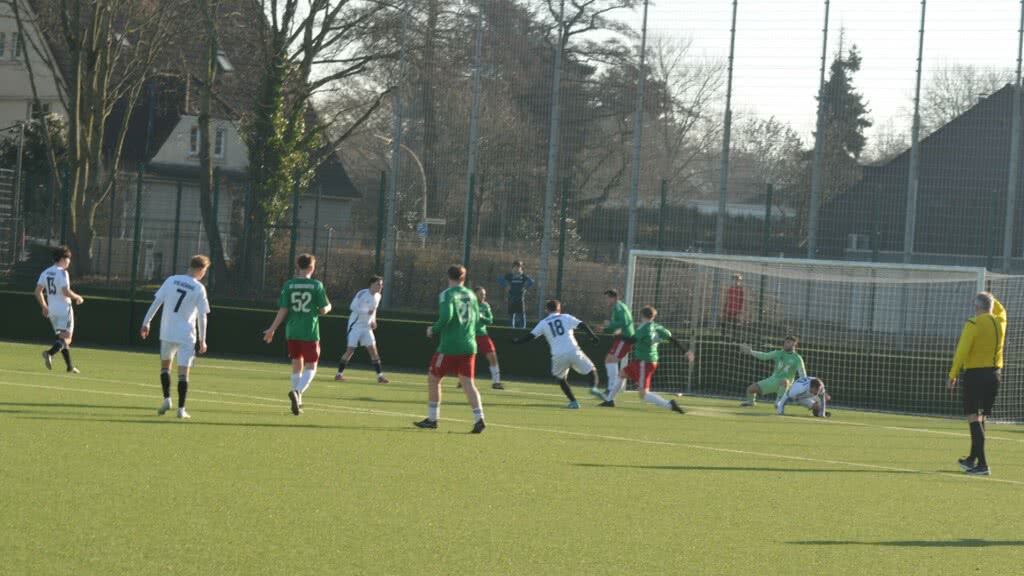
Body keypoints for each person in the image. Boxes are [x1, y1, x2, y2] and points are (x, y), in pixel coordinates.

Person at [414, 265, 486, 433]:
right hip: (469, 345)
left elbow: (446, 316)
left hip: (450, 346)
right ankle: (479, 418)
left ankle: (432, 419)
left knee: (433, 378)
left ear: (448, 276)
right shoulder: (471, 295)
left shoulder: (447, 294)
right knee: (468, 383)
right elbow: (477, 319)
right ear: (464, 278)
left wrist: (433, 329)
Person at [139, 255, 211, 419]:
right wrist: (203, 340)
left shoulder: (171, 280)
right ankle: (181, 409)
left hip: (167, 332)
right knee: (183, 372)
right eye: (205, 271)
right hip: (186, 335)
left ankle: (166, 399)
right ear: (201, 269)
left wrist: (146, 322)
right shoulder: (199, 288)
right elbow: (202, 316)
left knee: (165, 367)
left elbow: (157, 302)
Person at [263, 254, 332, 416]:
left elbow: (283, 309)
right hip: (309, 331)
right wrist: (329, 307)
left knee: (296, 365)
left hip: (292, 331)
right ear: (312, 267)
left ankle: (298, 401)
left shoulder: (289, 285)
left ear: (298, 266)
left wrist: (272, 329)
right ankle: (297, 392)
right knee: (311, 366)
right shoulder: (316, 285)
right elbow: (323, 310)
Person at [947, 291, 1006, 477]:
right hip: (995, 375)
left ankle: (983, 465)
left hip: (975, 375)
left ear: (977, 307)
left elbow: (962, 351)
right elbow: (1001, 310)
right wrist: (991, 298)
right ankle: (973, 458)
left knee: (973, 417)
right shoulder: (1001, 321)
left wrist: (953, 374)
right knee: (982, 418)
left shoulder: (973, 324)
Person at [512, 299, 601, 409]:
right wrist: (593, 337)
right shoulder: (566, 317)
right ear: (559, 309)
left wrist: (517, 341)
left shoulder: (543, 322)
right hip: (573, 351)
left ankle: (574, 402)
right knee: (591, 370)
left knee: (561, 378)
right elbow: (582, 325)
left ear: (547, 310)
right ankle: (593, 387)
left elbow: (530, 336)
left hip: (558, 355)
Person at [602, 306, 686, 414]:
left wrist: (618, 336)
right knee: (622, 374)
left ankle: (669, 404)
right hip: (645, 361)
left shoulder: (644, 328)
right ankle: (609, 401)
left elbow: (631, 340)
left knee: (643, 394)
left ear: (642, 315)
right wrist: (684, 351)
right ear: (653, 316)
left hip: (644, 362)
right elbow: (671, 338)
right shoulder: (657, 326)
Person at [35, 245, 84, 374]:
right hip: (64, 309)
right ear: (62, 258)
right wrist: (77, 297)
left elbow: (38, 291)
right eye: (68, 258)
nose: (69, 261)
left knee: (61, 339)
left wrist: (44, 306)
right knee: (67, 339)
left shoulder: (46, 272)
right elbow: (65, 291)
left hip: (52, 310)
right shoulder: (62, 272)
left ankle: (69, 366)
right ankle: (49, 353)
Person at [335, 275, 389, 384]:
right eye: (378, 284)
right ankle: (339, 374)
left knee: (373, 350)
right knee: (350, 350)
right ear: (372, 284)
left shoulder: (378, 296)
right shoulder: (362, 293)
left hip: (366, 327)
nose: (381, 286)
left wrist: (373, 320)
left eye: (381, 284)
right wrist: (366, 312)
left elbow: (374, 310)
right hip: (355, 326)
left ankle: (380, 376)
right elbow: (352, 307)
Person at [738, 336, 806, 407]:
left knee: (784, 381)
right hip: (773, 380)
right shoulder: (778, 353)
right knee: (750, 389)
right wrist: (751, 352)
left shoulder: (797, 358)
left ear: (794, 344)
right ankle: (750, 402)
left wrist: (801, 388)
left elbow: (803, 375)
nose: (785, 344)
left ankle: (778, 402)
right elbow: (764, 356)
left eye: (788, 342)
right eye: (785, 342)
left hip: (787, 385)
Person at [600, 289, 634, 402]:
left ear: (614, 298)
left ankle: (612, 388)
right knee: (609, 360)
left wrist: (609, 325)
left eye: (607, 298)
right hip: (622, 337)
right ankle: (611, 387)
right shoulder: (620, 306)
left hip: (625, 338)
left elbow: (625, 322)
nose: (606, 300)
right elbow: (624, 322)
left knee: (611, 360)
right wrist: (609, 328)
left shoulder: (618, 307)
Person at [474, 286, 504, 390]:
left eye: (484, 294)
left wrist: (482, 317)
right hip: (470, 336)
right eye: (481, 294)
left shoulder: (485, 306)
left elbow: (490, 320)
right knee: (466, 358)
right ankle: (462, 380)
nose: (483, 296)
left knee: (492, 356)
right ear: (475, 294)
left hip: (483, 335)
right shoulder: (469, 305)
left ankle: (496, 382)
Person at [498, 260, 534, 328]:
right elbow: (500, 280)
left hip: (520, 298)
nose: (517, 269)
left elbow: (531, 281)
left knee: (521, 315)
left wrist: (525, 287)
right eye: (515, 267)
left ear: (521, 268)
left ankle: (522, 329)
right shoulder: (509, 276)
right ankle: (511, 328)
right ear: (513, 267)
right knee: (511, 315)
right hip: (511, 297)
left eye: (519, 267)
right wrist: (506, 286)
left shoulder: (523, 276)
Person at [723, 274, 745, 341]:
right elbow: (727, 298)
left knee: (734, 323)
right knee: (725, 321)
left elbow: (741, 300)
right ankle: (723, 335)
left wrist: (740, 310)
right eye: (734, 280)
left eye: (737, 280)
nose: (735, 281)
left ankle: (733, 337)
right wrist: (725, 307)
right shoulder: (730, 289)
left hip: (736, 309)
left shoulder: (741, 290)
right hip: (729, 308)